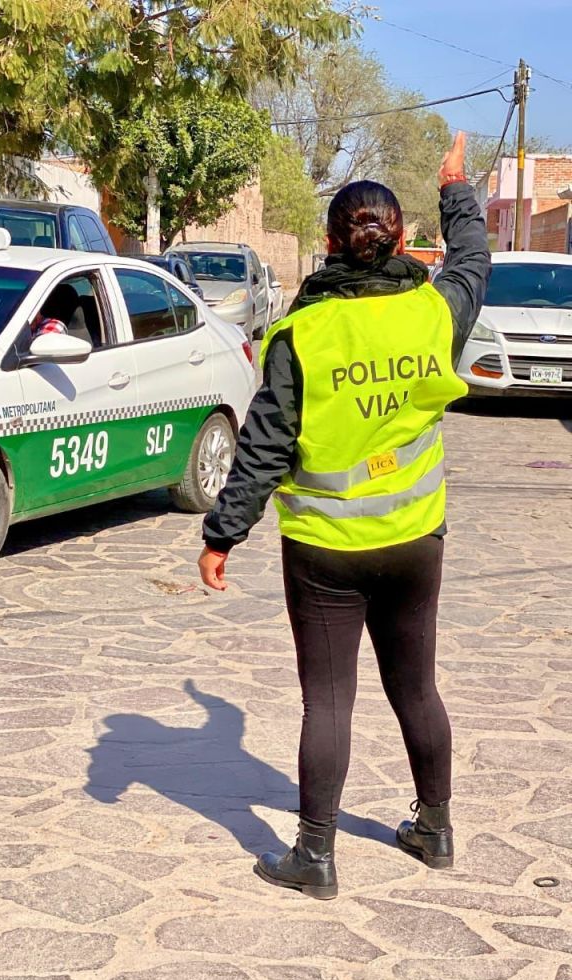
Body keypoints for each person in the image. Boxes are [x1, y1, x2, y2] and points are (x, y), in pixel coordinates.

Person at [198, 132, 491, 900]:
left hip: (325, 549)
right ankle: (435, 829)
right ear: (399, 239)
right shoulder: (434, 312)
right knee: (416, 688)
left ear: (331, 244)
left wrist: (222, 534)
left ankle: (315, 856)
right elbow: (472, 260)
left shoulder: (303, 333)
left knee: (328, 701)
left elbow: (264, 446)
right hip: (416, 539)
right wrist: (455, 188)